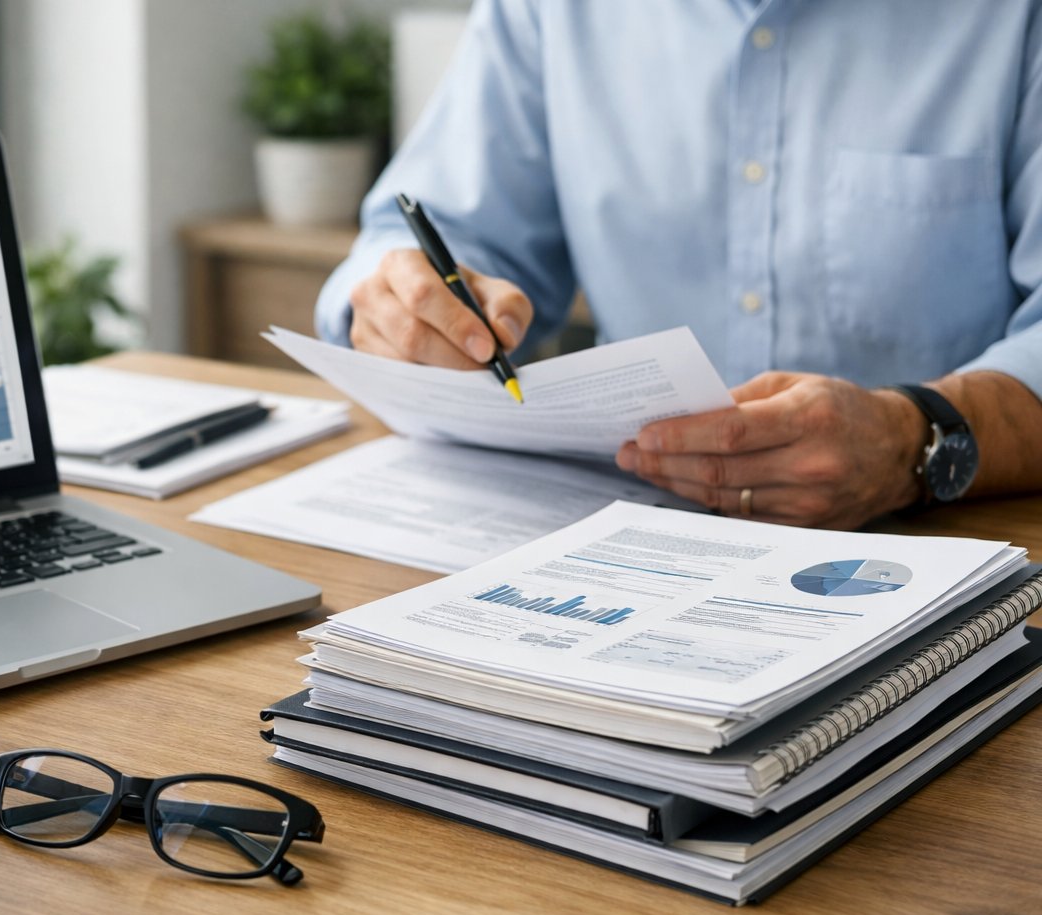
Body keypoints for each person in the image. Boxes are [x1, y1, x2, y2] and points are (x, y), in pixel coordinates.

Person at [315, 0, 1042, 529]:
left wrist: (911, 440)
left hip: (950, 535)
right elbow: (437, 237)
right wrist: (398, 307)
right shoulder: (547, 13)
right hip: (624, 533)